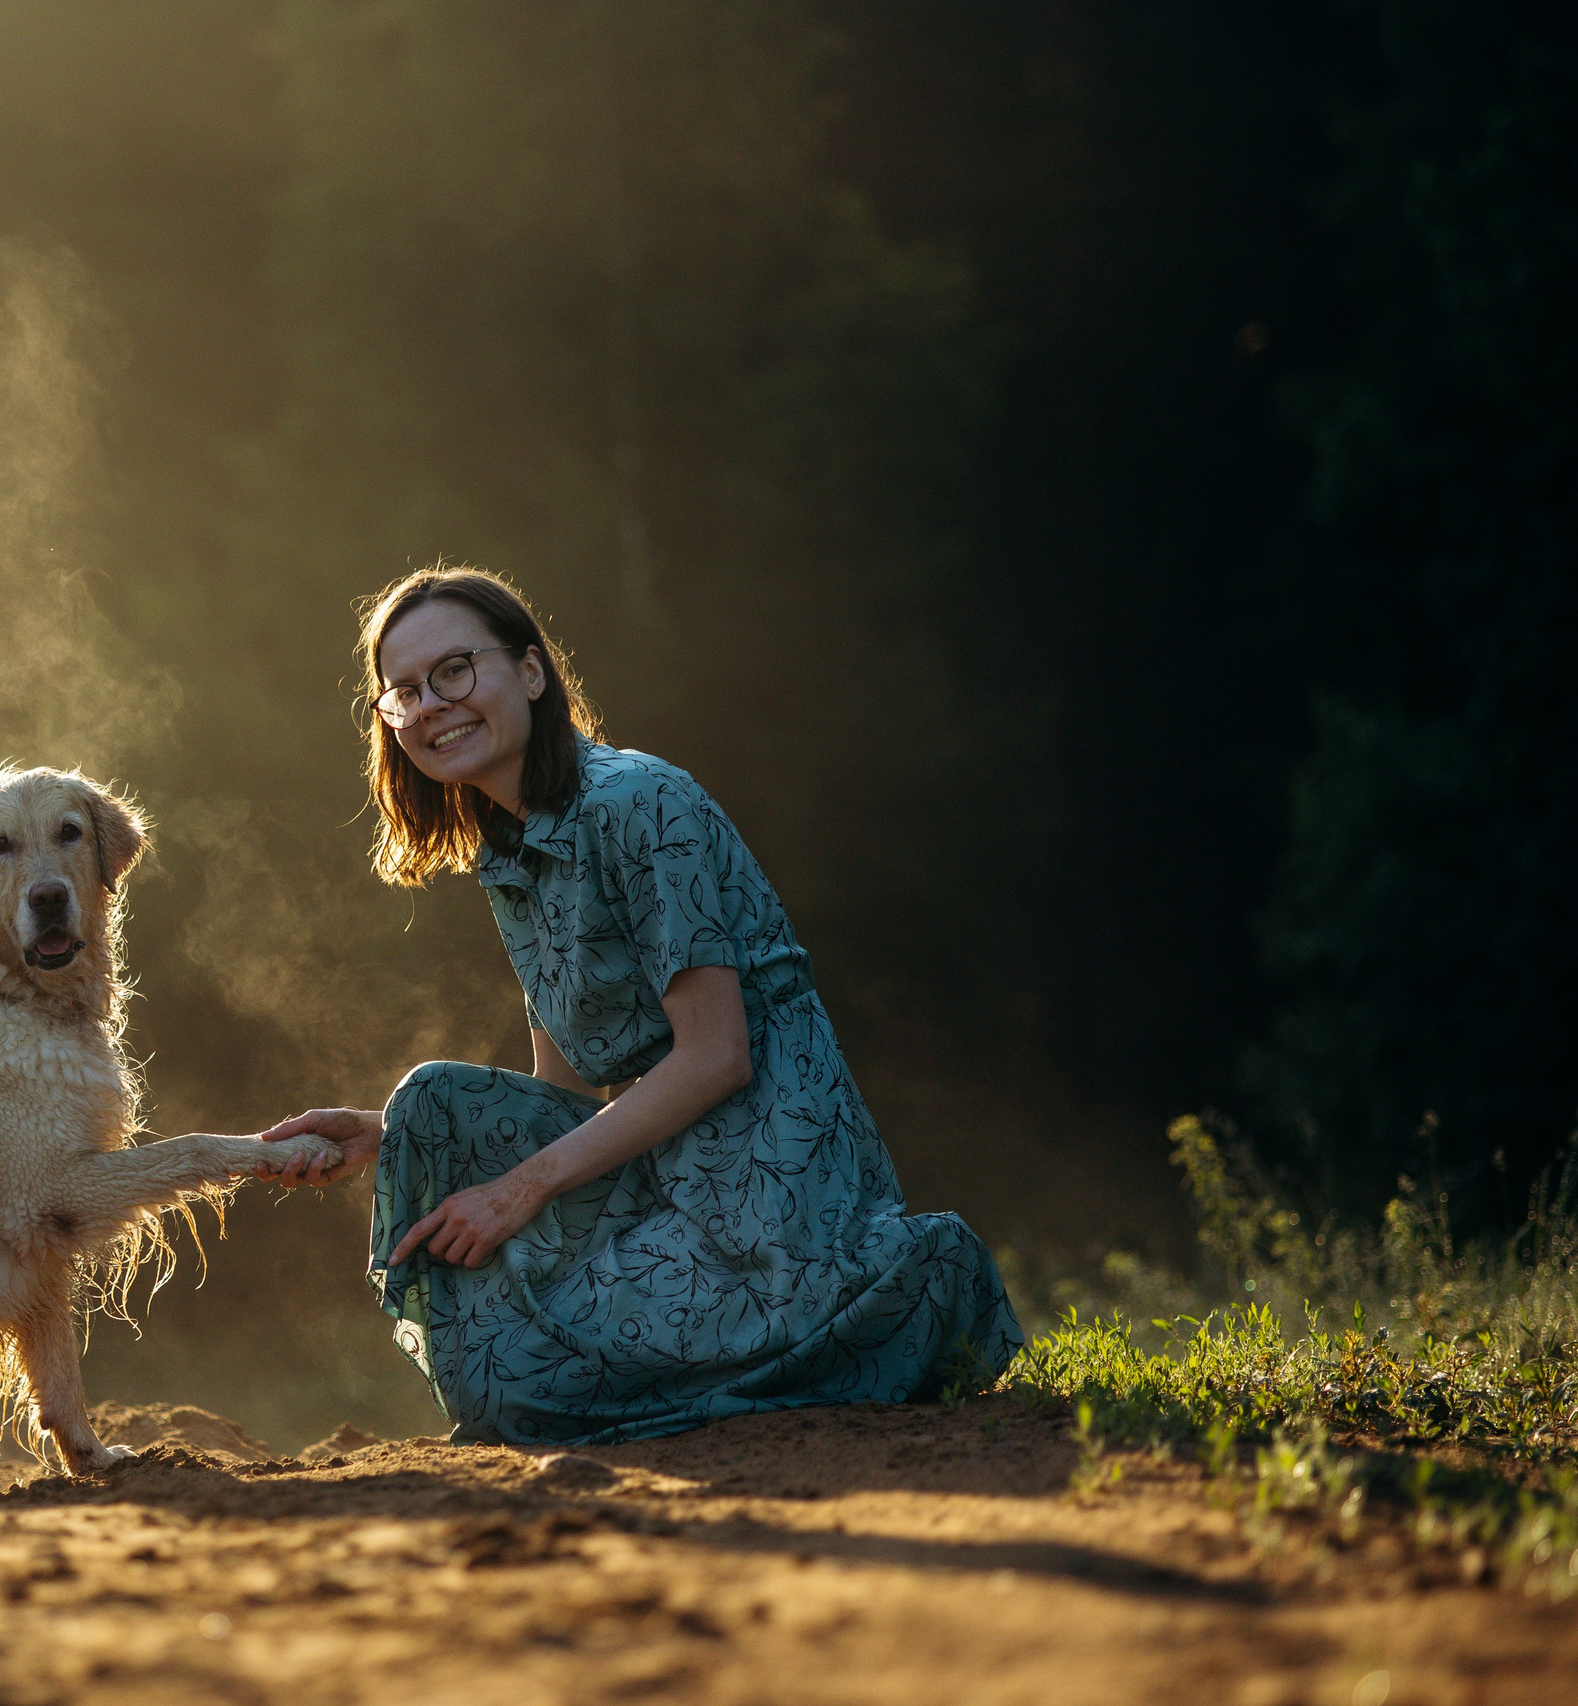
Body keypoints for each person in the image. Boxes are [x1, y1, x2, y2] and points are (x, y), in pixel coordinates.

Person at [257, 565, 1022, 1447]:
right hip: (659, 1179)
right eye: (404, 691)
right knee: (428, 1107)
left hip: (767, 1193)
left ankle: (886, 1289)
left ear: (532, 673)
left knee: (515, 1377)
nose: (430, 704)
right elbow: (567, 1096)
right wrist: (382, 1132)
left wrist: (516, 1192)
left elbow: (716, 1055)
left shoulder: (640, 803)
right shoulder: (508, 852)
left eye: (455, 670)